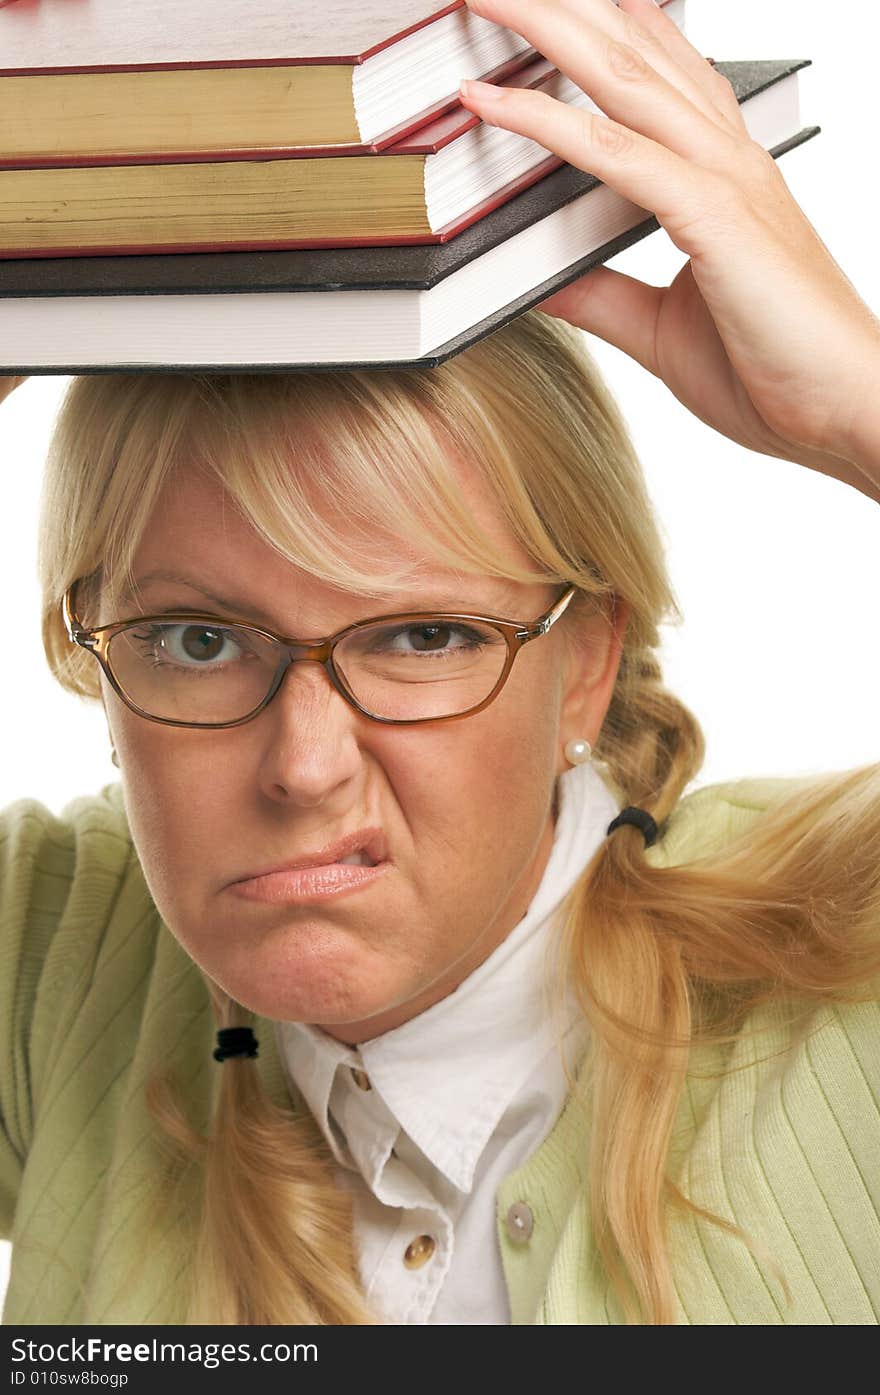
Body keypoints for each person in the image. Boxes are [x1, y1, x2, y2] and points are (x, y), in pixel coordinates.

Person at [1, 0, 879, 1326]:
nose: (303, 768)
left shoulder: (843, 968)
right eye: (196, 640)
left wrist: (859, 406)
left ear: (585, 665)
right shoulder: (57, 965)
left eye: (422, 636)